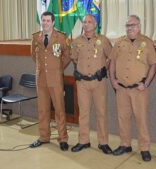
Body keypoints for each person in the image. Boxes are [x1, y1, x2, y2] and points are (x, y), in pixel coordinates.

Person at [109, 15, 156, 161]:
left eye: (133, 25)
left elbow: (153, 65)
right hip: (122, 89)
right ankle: (125, 144)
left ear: (139, 26)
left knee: (141, 119)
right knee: (123, 118)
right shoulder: (119, 42)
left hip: (138, 89)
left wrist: (147, 83)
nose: (130, 28)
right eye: (128, 26)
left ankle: (144, 148)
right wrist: (113, 81)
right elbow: (112, 62)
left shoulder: (147, 43)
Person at [70, 14, 113, 154]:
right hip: (82, 83)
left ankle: (103, 142)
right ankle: (83, 141)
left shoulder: (103, 40)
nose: (87, 24)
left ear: (95, 24)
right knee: (83, 113)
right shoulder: (77, 41)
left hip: (98, 82)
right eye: (84, 22)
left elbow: (111, 57)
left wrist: (104, 68)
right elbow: (74, 59)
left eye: (90, 22)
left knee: (101, 113)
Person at [30, 11, 71, 151]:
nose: (45, 23)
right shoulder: (36, 37)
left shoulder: (61, 37)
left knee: (60, 109)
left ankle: (63, 139)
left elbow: (67, 56)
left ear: (53, 22)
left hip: (56, 79)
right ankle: (43, 137)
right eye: (43, 20)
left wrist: (57, 68)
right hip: (41, 79)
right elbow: (33, 56)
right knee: (42, 110)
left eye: (48, 20)